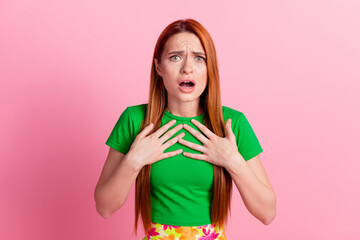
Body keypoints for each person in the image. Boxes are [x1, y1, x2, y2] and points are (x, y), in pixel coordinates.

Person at [94, 18, 276, 240]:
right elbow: (104, 207)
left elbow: (267, 213)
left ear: (210, 69)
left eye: (199, 58)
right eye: (175, 57)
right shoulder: (135, 120)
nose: (187, 68)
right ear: (159, 67)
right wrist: (133, 161)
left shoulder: (232, 124)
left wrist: (233, 161)